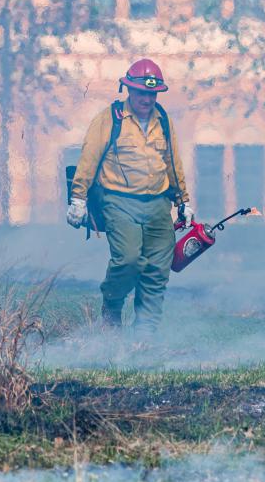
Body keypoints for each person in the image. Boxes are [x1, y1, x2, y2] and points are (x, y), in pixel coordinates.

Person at [67, 58, 193, 332]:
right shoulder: (109, 119)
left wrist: (183, 200)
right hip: (119, 202)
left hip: (159, 204)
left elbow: (173, 162)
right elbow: (89, 158)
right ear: (128, 90)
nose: (146, 99)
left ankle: (145, 334)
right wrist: (77, 197)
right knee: (129, 259)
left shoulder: (164, 121)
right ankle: (112, 308)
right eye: (140, 92)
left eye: (152, 93)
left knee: (158, 269)